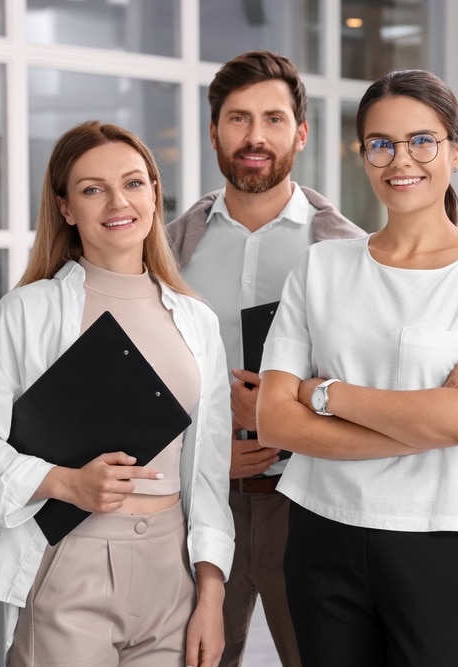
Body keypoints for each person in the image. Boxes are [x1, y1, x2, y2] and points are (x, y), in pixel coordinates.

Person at [255, 69, 458, 667]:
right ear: (363, 156)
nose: (400, 159)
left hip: (441, 539)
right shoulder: (319, 268)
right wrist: (421, 424)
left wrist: (325, 394)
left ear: (457, 150)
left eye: (422, 141)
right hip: (320, 530)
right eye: (380, 144)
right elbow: (275, 421)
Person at [0, 121, 236, 667]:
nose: (118, 202)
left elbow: (210, 470)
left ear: (153, 194)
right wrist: (63, 481)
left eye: (134, 183)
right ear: (66, 208)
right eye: (92, 189)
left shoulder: (196, 320)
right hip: (73, 561)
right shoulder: (29, 311)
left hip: (172, 569)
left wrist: (211, 593)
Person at [166, 50, 365, 667]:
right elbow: (146, 377)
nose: (255, 137)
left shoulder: (348, 251)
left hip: (306, 498)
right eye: (238, 119)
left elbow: (372, 384)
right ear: (214, 131)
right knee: (191, 658)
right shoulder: (169, 250)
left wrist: (285, 408)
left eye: (274, 119)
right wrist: (200, 455)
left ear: (300, 133)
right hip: (199, 499)